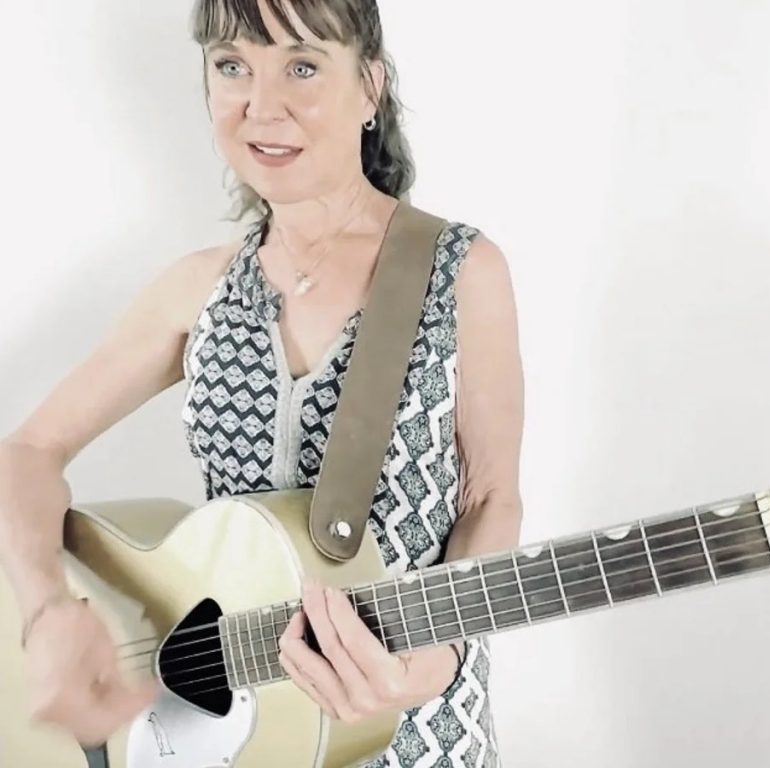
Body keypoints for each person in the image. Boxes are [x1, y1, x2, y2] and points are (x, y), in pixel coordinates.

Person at [0, 0, 524, 766]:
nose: (261, 105)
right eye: (232, 66)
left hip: (414, 734)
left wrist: (435, 661)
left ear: (370, 86)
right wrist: (47, 609)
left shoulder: (459, 271)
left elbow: (490, 498)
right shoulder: (197, 290)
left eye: (301, 66)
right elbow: (28, 451)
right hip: (235, 743)